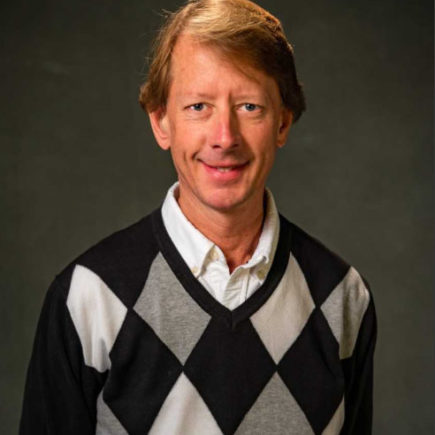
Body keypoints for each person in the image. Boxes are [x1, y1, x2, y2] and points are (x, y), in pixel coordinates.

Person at [20, 0, 376, 434]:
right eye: (198, 107)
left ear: (283, 123)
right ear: (160, 121)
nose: (224, 138)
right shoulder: (89, 296)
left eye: (249, 106)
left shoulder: (342, 297)